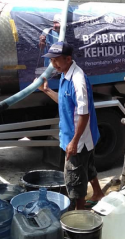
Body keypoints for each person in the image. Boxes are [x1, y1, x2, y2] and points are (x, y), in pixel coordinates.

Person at [37, 41, 104, 209]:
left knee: (75, 178)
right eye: (51, 60)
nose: (53, 64)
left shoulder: (77, 80)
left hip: (79, 139)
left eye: (56, 60)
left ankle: (78, 213)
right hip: (74, 136)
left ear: (68, 59)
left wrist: (74, 142)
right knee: (87, 167)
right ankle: (97, 193)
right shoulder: (65, 74)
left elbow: (84, 113)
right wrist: (46, 91)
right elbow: (62, 101)